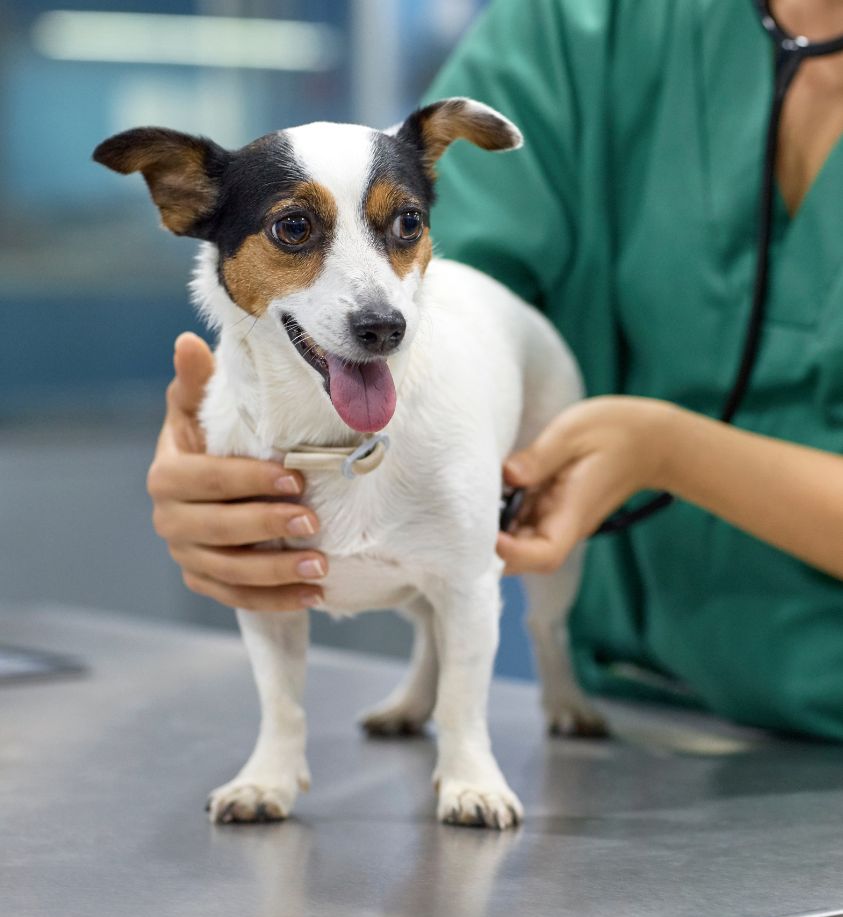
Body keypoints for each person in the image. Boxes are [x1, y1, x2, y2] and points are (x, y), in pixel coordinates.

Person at [146, 0, 843, 738]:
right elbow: (444, 291)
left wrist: (671, 450)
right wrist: (243, 421)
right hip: (638, 710)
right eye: (294, 230)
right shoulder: (575, 23)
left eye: (404, 225)